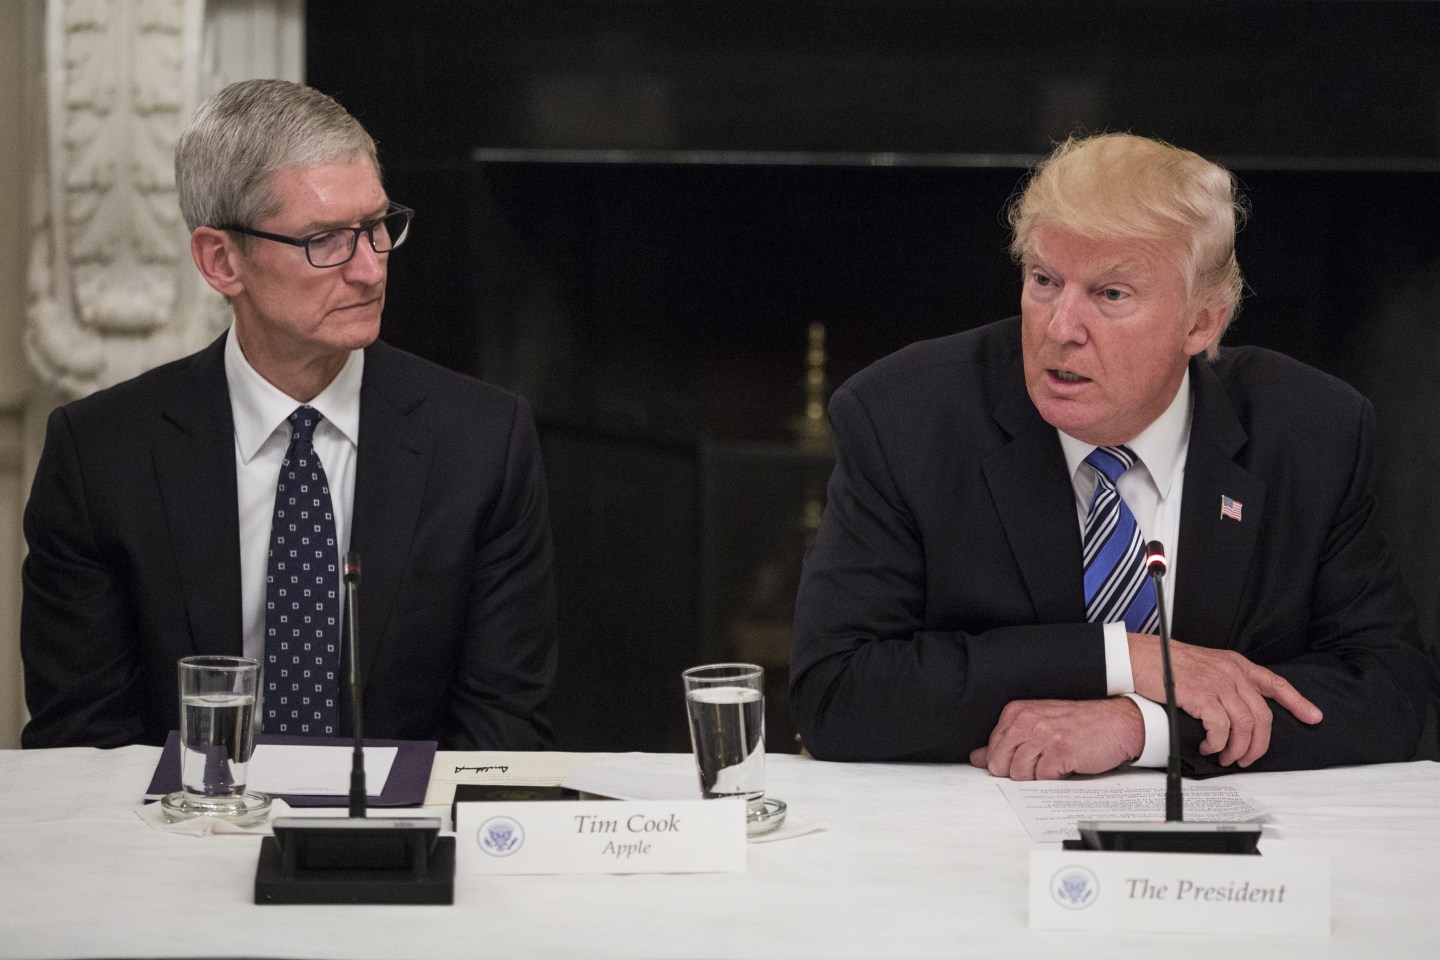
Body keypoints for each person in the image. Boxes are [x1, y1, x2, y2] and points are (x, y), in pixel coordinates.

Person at [790, 133, 1429, 779]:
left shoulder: (1308, 430)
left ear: (1201, 323)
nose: (1060, 327)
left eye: (1111, 295)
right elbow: (838, 692)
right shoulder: (906, 416)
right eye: (1044, 281)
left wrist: (1145, 726)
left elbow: (1387, 691)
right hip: (974, 834)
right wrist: (1126, 659)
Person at [21, 79, 557, 750]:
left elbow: (502, 734)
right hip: (181, 833)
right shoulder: (100, 456)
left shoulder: (483, 443)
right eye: (326, 240)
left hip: (405, 838)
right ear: (222, 261)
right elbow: (82, 744)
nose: (369, 270)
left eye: (377, 227)